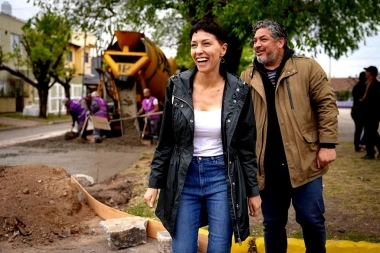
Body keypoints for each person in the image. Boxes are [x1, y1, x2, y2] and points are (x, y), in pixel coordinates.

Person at [144, 19, 261, 253]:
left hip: (222, 176)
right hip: (184, 177)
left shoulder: (239, 91)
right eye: (194, 45)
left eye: (206, 43)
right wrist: (154, 183)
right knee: (183, 249)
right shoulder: (176, 86)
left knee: (219, 248)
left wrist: (253, 191)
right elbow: (166, 140)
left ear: (223, 49)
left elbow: (246, 147)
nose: (199, 51)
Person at [240, 20, 338, 253]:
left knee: (312, 220)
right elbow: (241, 122)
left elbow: (326, 104)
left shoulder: (307, 67)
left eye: (263, 39)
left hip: (305, 162)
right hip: (267, 167)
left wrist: (327, 144)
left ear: (280, 41)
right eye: (255, 40)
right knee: (273, 224)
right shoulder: (247, 76)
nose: (257, 45)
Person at [360, 66, 380, 159]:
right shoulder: (368, 83)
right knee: (369, 133)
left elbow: (375, 100)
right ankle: (370, 152)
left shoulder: (376, 84)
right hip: (367, 114)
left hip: (373, 114)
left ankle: (371, 152)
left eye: (367, 71)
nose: (366, 73)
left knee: (372, 133)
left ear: (370, 73)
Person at [351, 72, 367, 151]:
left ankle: (357, 146)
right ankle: (361, 143)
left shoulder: (355, 87)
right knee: (368, 129)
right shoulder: (365, 87)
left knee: (358, 129)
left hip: (354, 110)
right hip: (362, 111)